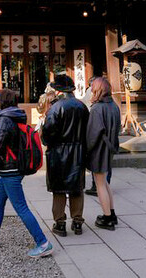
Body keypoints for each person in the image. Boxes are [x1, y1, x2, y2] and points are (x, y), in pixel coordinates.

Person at [0, 88, 54, 258]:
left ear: (2, 102)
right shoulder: (16, 115)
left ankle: (43, 243)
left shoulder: (4, 118)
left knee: (21, 207)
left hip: (11, 169)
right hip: (13, 167)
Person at [41, 73, 89, 237]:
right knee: (77, 188)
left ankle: (60, 223)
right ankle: (77, 221)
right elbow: (87, 131)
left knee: (59, 189)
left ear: (59, 90)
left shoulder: (55, 108)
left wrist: (45, 139)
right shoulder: (81, 106)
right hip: (78, 151)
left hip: (58, 153)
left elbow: (47, 135)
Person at [86, 77, 121, 231]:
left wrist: (86, 150)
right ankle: (111, 213)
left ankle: (107, 217)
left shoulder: (97, 108)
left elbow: (92, 134)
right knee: (105, 182)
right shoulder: (114, 106)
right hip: (110, 146)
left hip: (99, 149)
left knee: (100, 183)